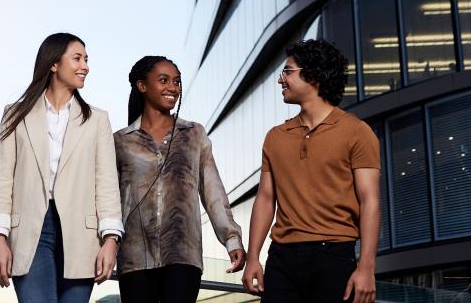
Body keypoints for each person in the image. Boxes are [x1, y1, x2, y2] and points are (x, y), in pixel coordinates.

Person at [0, 33, 124, 303]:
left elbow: (106, 184)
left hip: (83, 237)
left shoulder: (97, 120)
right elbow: (1, 179)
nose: (85, 66)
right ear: (54, 64)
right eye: (77, 58)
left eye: (86, 59)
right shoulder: (15, 115)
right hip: (31, 230)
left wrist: (111, 240)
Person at [242, 39, 380, 303]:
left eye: (288, 71)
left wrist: (366, 267)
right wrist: (253, 257)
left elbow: (370, 201)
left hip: (335, 256)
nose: (280, 80)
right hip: (281, 258)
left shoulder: (356, 131)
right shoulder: (275, 136)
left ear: (314, 75)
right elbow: (265, 199)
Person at [114, 56, 246, 303]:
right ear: (142, 86)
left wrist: (231, 239)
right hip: (134, 258)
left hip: (184, 257)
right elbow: (109, 200)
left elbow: (212, 190)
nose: (172, 87)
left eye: (176, 81)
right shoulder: (121, 140)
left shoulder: (193, 133)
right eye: (163, 80)